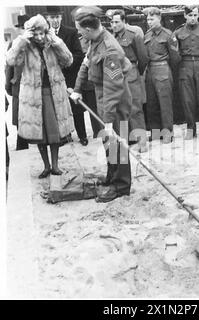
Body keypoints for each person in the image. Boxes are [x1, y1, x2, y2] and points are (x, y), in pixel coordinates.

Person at [70, 6, 132, 203]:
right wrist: (78, 88)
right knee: (108, 141)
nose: (78, 32)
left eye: (79, 29)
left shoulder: (109, 48)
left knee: (118, 141)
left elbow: (114, 88)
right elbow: (86, 64)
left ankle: (122, 185)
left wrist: (108, 119)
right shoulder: (94, 42)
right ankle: (112, 177)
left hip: (116, 100)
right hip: (102, 95)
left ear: (88, 29)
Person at [6, 14, 74, 178]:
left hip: (53, 93)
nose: (39, 37)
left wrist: (56, 41)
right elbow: (11, 60)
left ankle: (56, 166)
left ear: (46, 31)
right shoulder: (25, 46)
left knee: (54, 132)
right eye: (35, 34)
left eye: (41, 33)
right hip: (33, 96)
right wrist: (22, 40)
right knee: (40, 134)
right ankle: (46, 166)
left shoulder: (52, 43)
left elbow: (68, 60)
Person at [43, 6, 88, 146]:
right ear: (47, 19)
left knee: (76, 107)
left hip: (70, 76)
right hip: (54, 78)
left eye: (57, 17)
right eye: (52, 17)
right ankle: (65, 135)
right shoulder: (43, 35)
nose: (55, 20)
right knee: (59, 107)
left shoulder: (71, 32)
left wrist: (63, 63)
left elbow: (79, 55)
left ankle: (82, 135)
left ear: (61, 17)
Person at [111, 9, 149, 153]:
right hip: (117, 75)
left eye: (116, 22)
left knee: (135, 109)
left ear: (124, 21)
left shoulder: (133, 35)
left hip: (131, 73)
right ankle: (125, 141)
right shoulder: (112, 37)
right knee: (122, 109)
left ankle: (142, 143)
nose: (113, 24)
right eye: (112, 22)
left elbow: (143, 58)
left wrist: (137, 73)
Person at [173, 6, 199, 140]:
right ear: (185, 16)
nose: (193, 18)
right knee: (187, 99)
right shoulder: (178, 32)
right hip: (185, 65)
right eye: (190, 15)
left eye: (195, 15)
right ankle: (190, 129)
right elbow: (174, 52)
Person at [143, 7, 181, 143]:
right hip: (150, 71)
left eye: (152, 19)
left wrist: (167, 70)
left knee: (165, 104)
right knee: (151, 104)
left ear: (159, 19)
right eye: (148, 19)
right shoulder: (147, 35)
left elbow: (175, 58)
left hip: (163, 69)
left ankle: (167, 134)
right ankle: (155, 133)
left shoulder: (168, 34)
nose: (149, 22)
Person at [5, 14, 30, 151]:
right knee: (20, 116)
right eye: (22, 28)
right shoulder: (13, 44)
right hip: (18, 86)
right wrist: (9, 84)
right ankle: (22, 143)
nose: (24, 31)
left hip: (32, 85)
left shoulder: (35, 43)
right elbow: (8, 67)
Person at [78, 34, 102, 138]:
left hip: (100, 79)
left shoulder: (100, 40)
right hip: (87, 81)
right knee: (92, 107)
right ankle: (97, 132)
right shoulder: (80, 42)